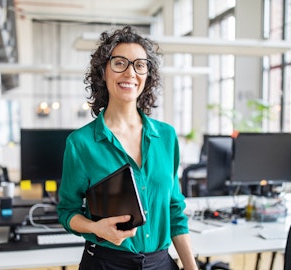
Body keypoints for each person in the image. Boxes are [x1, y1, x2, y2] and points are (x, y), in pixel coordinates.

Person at [57, 25, 198, 270]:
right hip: (105, 263)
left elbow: (175, 210)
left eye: (139, 65)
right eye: (120, 63)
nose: (130, 73)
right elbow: (67, 211)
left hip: (162, 263)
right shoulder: (81, 143)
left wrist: (191, 267)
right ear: (103, 71)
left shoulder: (166, 136)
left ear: (147, 75)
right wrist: (94, 227)